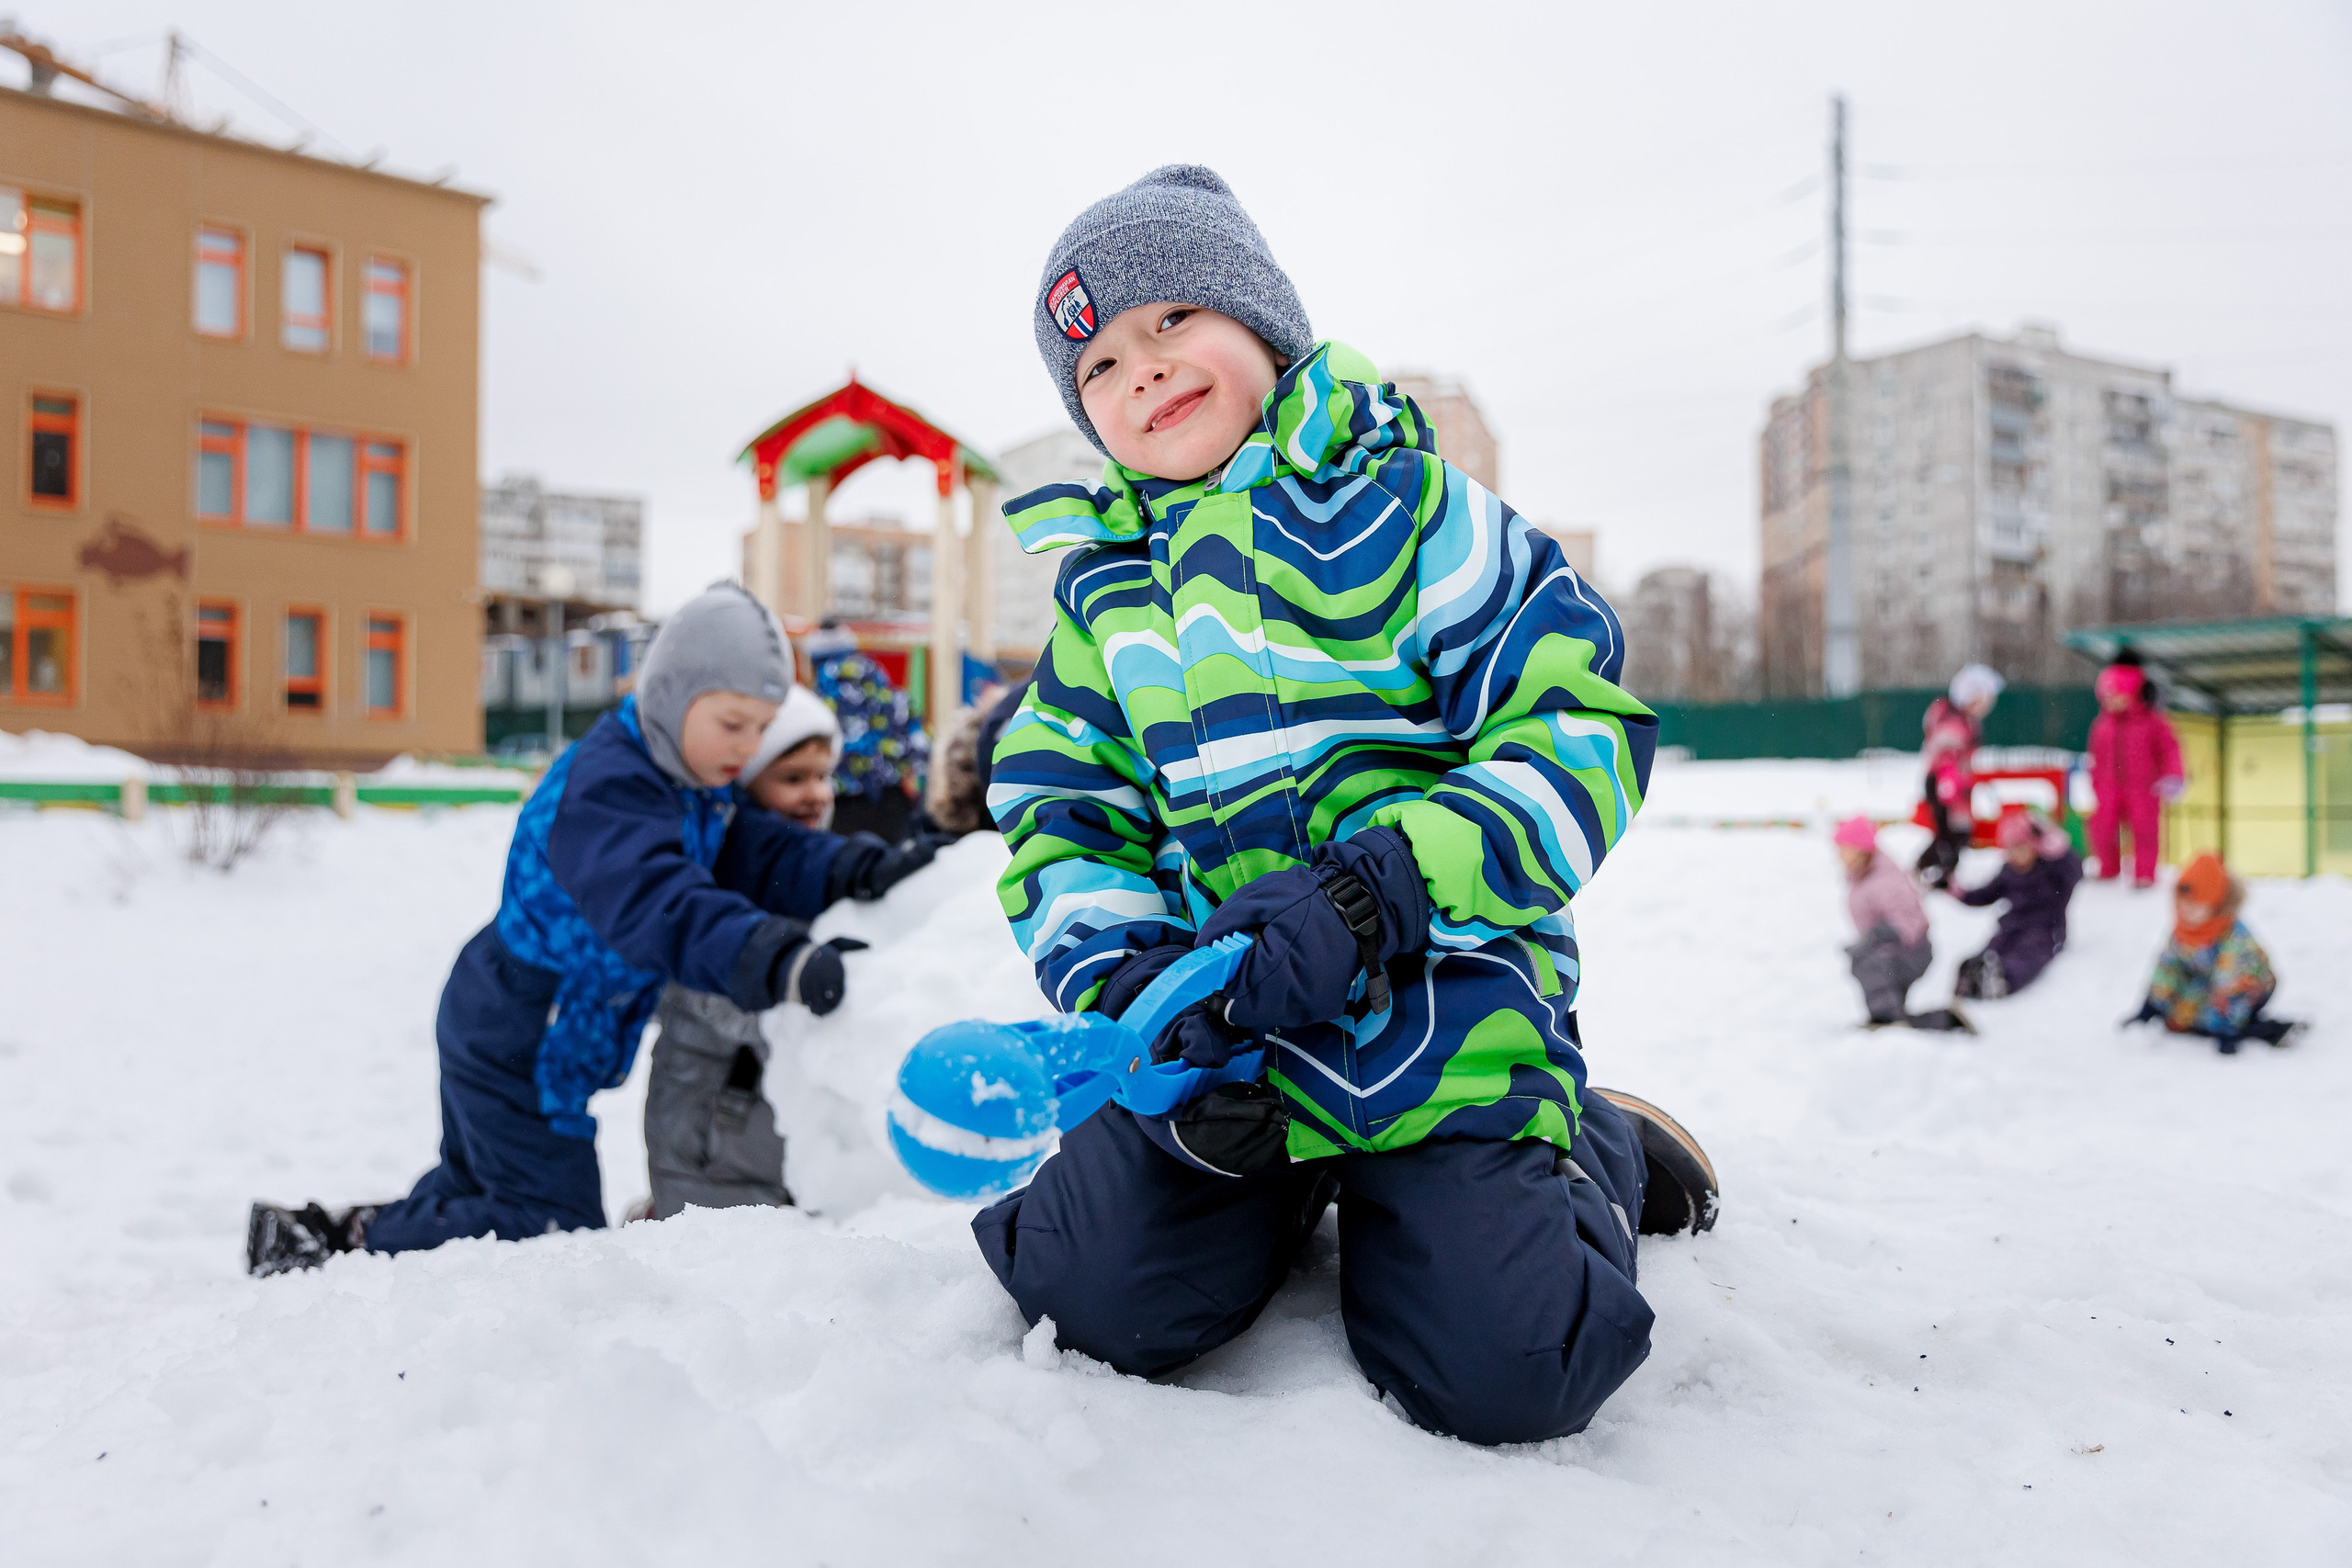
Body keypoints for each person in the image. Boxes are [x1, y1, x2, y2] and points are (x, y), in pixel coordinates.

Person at [973, 165, 1720, 1448]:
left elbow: (1577, 723)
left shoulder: (1416, 516)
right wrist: (1137, 977)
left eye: (1169, 322)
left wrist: (1384, 889)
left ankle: (1586, 1144)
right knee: (1093, 1296)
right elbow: (1064, 811)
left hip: (1444, 1000)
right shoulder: (1102, 605)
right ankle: (1254, 1187)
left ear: (1263, 324)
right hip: (1235, 1037)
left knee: (1509, 1365)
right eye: (1095, 364)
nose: (1139, 370)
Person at [245, 584, 868, 1275]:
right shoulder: (609, 787)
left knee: (483, 1188)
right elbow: (656, 898)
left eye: (761, 727)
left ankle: (341, 1236)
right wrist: (773, 956)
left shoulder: (689, 778)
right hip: (519, 1030)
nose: (748, 746)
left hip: (530, 1024)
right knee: (546, 1226)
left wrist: (863, 866)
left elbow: (766, 851)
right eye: (733, 723)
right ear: (672, 693)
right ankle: (342, 1246)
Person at [639, 686, 948, 1220]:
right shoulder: (721, 875)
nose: (816, 794)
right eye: (791, 779)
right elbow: (706, 994)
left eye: (824, 776)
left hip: (762, 1135)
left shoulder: (808, 874)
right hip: (712, 1132)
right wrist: (814, 985)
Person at [2125, 852, 2301, 1055]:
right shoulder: (2183, 930)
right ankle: (2226, 1022)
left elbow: (2231, 984)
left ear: (2216, 902)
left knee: (2201, 1018)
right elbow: (2168, 965)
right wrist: (2151, 1005)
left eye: (2196, 905)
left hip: (2249, 987)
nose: (2187, 911)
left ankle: (2260, 1029)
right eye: (2183, 904)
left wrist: (2227, 1030)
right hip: (2210, 980)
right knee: (2176, 1017)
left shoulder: (2234, 937)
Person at [1833, 816, 1967, 1032]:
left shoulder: (1885, 879)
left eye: (1844, 848)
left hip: (1913, 950)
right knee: (1870, 970)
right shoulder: (1863, 875)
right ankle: (1934, 1021)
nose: (1838, 854)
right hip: (1894, 950)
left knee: (1869, 964)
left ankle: (1891, 1023)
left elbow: (1909, 923)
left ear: (1860, 849)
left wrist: (1871, 939)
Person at [1951, 809, 2082, 1000]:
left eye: (2020, 847)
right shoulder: (2008, 871)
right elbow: (1985, 895)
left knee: (2027, 954)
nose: (2015, 854)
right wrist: (1958, 891)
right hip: (2012, 925)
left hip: (2045, 930)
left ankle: (2004, 979)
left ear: (2035, 845)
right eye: (2010, 848)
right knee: (1996, 946)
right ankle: (1977, 973)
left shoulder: (2052, 871)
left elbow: (2075, 870)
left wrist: (2055, 846)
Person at [2086, 656, 2184, 889]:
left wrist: (2173, 775)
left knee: (2145, 831)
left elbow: (2170, 749)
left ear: (2131, 693)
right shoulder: (2102, 725)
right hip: (2108, 786)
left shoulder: (2153, 721)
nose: (2110, 701)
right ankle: (2108, 869)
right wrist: (2095, 781)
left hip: (2143, 786)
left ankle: (2144, 874)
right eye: (2106, 696)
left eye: (2115, 695)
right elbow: (2096, 755)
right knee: (2102, 828)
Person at [1917, 663, 2004, 888]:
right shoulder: (1952, 720)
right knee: (1950, 834)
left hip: (1956, 786)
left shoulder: (1963, 719)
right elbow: (1945, 755)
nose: (1987, 707)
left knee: (1958, 834)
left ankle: (1941, 874)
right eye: (1984, 700)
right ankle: (1931, 872)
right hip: (1945, 784)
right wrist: (1948, 784)